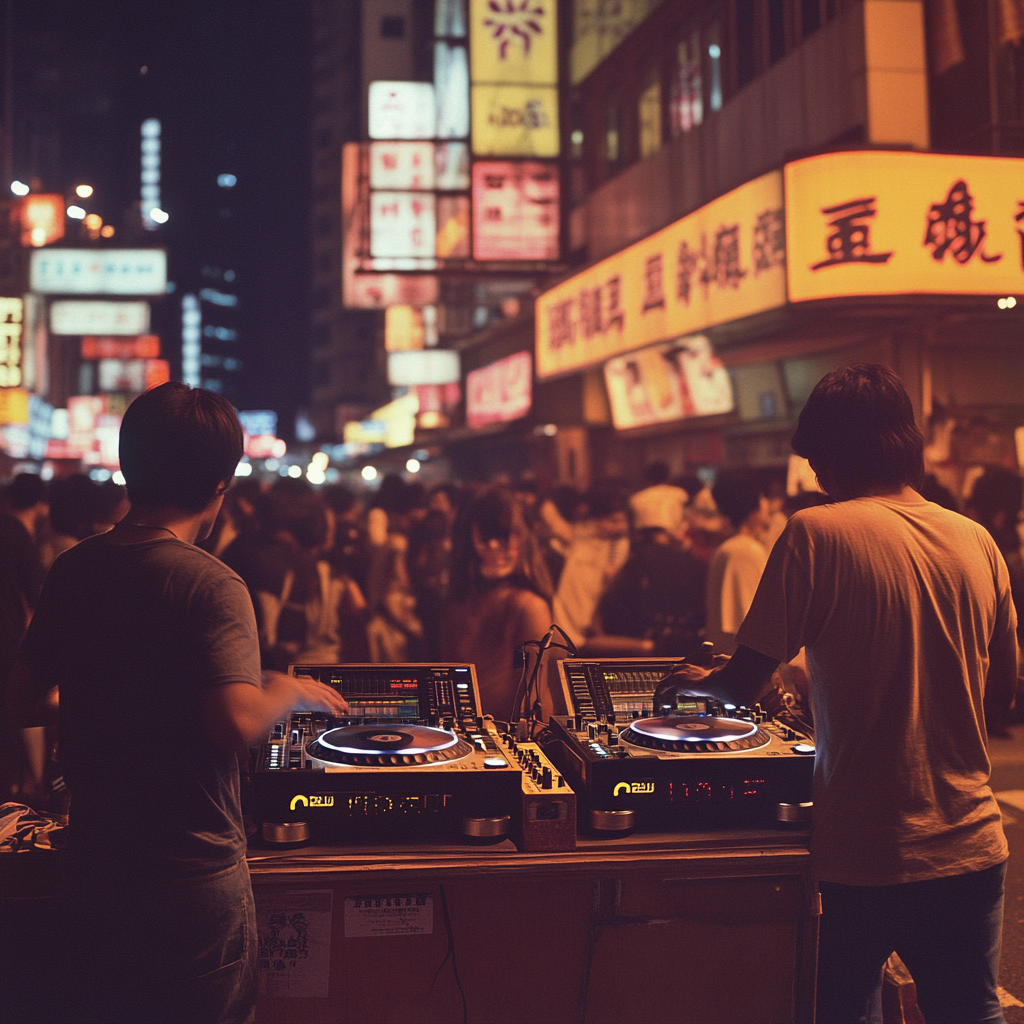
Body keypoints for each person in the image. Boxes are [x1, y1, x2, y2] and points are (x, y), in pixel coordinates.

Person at [656, 365, 1017, 1024]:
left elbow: (738, 690)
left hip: (865, 847)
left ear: (829, 452)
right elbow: (1000, 707)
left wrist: (688, 690)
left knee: (845, 1010)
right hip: (971, 842)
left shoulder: (814, 535)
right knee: (971, 1011)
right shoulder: (979, 543)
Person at [12, 382, 348, 1024]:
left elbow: (24, 701)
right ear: (221, 486)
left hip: (95, 873)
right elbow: (235, 723)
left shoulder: (74, 570)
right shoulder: (213, 584)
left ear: (128, 465)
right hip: (190, 882)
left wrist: (114, 696)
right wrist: (290, 688)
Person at [440, 487, 558, 721]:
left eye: (502, 536)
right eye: (486, 536)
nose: (493, 545)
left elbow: (536, 700)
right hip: (461, 735)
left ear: (522, 539)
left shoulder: (528, 606)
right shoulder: (456, 602)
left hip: (504, 738)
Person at [704, 470, 770, 655]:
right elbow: (750, 623)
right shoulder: (743, 550)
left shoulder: (732, 547)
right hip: (744, 669)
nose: (767, 504)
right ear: (753, 505)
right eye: (763, 497)